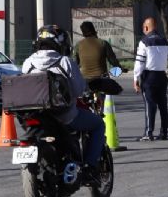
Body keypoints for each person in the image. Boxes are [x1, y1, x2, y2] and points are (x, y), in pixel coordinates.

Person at [22, 31, 106, 183]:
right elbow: (79, 90)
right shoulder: (64, 62)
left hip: (35, 117)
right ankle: (90, 167)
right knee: (98, 124)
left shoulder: (28, 63)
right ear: (61, 45)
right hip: (65, 116)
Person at [133, 17, 168, 141]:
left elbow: (139, 63)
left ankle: (148, 133)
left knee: (150, 105)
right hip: (162, 76)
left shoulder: (144, 42)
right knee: (163, 105)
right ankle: (164, 132)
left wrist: (135, 79)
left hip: (149, 77)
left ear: (146, 27)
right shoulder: (165, 41)